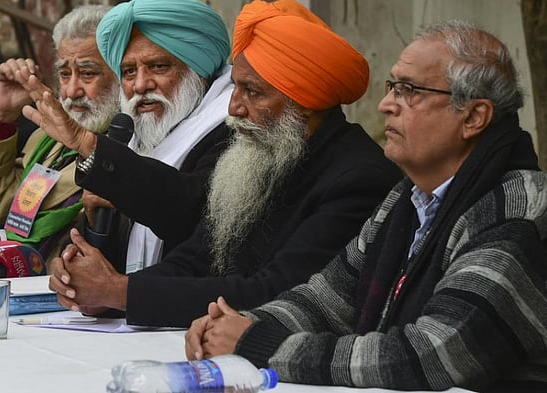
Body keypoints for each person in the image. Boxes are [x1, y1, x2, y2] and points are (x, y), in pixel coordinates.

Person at [186, 20, 547, 392]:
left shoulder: (516, 209)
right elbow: (327, 299)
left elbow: (431, 357)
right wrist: (235, 324)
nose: (385, 105)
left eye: (409, 91)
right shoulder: (408, 198)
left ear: (473, 117)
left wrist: (256, 343)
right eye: (392, 87)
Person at [46, 0, 403, 328]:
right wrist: (105, 294)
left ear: (303, 100)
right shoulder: (267, 153)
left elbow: (277, 291)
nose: (234, 108)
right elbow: (196, 259)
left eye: (253, 91)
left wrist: (120, 293)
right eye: (236, 88)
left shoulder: (359, 178)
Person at [21, 0, 234, 273]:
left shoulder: (230, 130)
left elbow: (187, 213)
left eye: (158, 66)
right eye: (129, 71)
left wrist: (89, 146)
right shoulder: (136, 137)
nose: (141, 85)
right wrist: (75, 266)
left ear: (199, 68)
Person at [0, 5, 119, 257]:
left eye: (88, 74)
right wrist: (2, 116)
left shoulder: (133, 150)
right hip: (19, 276)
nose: (71, 91)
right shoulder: (48, 140)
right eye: (65, 74)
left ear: (123, 75)